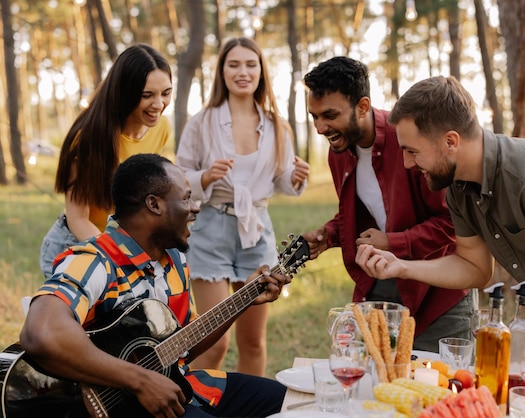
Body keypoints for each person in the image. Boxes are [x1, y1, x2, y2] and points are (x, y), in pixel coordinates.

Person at [355, 75, 525, 417]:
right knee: (502, 410)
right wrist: (402, 266)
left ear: (450, 141)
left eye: (412, 151)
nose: (408, 164)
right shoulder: (457, 187)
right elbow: (475, 268)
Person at [20, 153, 289, 418]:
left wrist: (242, 301)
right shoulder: (95, 261)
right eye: (185, 198)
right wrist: (140, 381)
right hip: (119, 405)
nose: (195, 207)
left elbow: (180, 348)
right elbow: (41, 333)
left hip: (181, 387)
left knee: (290, 401)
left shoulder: (174, 260)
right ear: (154, 204)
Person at [300, 56, 474, 353]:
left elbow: (450, 223)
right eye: (314, 116)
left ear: (363, 107)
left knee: (439, 392)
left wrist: (392, 242)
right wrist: (329, 234)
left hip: (440, 296)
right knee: (373, 390)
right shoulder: (338, 151)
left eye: (329, 115)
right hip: (380, 287)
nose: (319, 127)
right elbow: (368, 213)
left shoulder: (408, 140)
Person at [176, 37, 310, 376]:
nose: (243, 72)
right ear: (221, 71)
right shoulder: (201, 122)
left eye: (251, 64)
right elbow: (177, 179)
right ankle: (202, 408)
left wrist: (296, 178)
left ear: (261, 71)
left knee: (253, 341)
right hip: (211, 232)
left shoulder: (276, 125)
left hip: (257, 233)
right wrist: (205, 177)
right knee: (214, 341)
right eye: (233, 64)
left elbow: (281, 180)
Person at [39, 43, 173, 279]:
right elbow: (78, 218)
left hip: (124, 243)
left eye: (166, 93)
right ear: (125, 92)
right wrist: (120, 258)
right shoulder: (89, 139)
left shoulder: (161, 128)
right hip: (78, 244)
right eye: (147, 95)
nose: (159, 104)